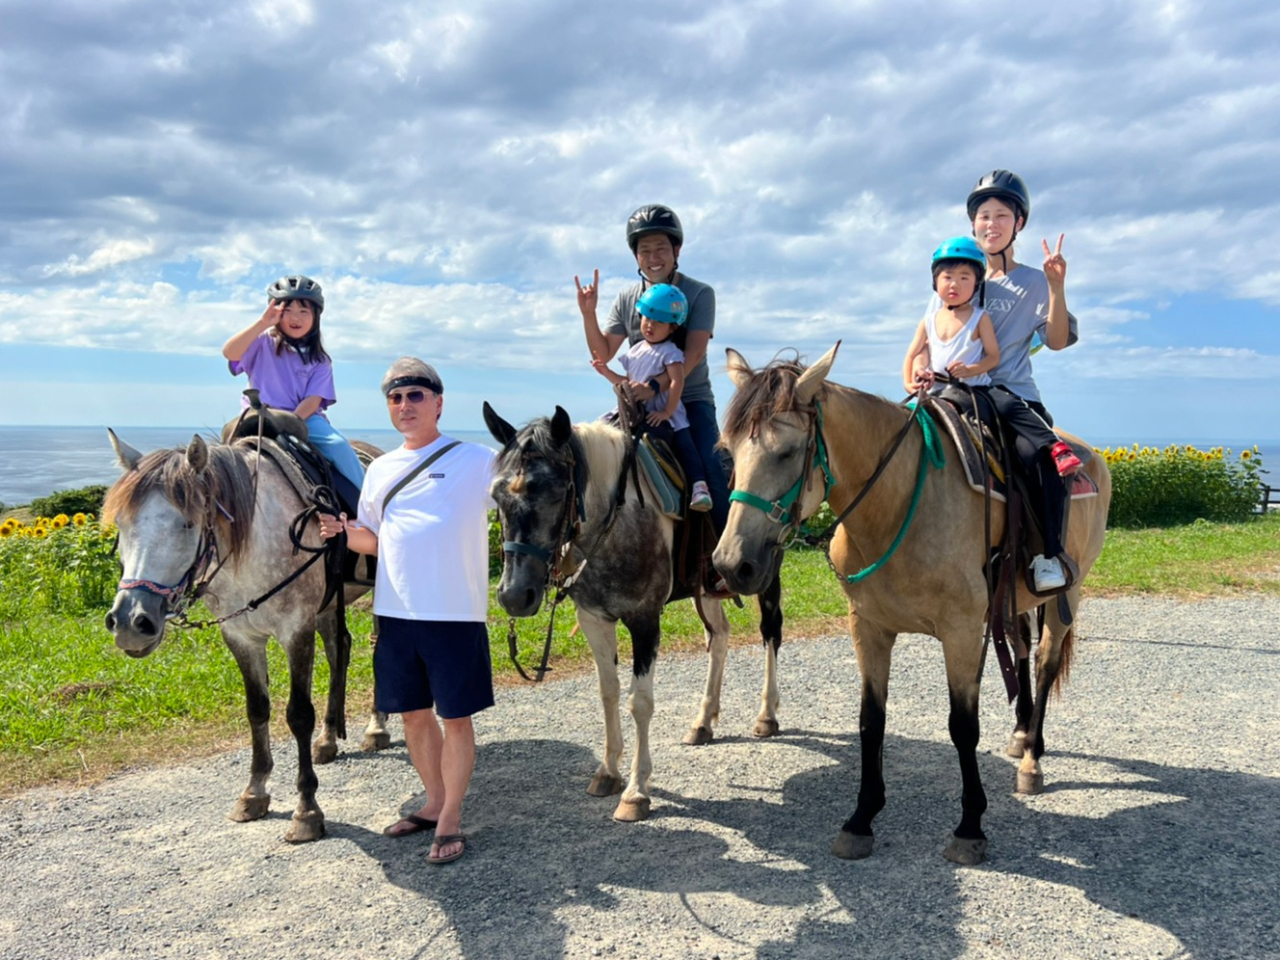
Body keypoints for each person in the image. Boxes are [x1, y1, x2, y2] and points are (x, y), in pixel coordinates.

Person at [317, 357, 496, 866]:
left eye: (415, 396)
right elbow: (374, 538)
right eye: (395, 398)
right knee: (415, 716)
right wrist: (342, 532)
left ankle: (452, 816)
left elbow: (525, 497)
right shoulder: (381, 470)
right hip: (395, 614)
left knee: (455, 718)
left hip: (456, 613)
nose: (405, 405)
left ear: (438, 403)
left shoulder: (477, 460)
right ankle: (433, 800)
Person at [910, 171, 1083, 591]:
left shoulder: (1034, 281)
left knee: (1035, 458)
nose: (992, 223)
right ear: (973, 224)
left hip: (1012, 396)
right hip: (950, 394)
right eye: (984, 215)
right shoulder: (955, 276)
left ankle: (1048, 556)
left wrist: (1056, 287)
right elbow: (928, 337)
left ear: (1018, 223)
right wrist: (919, 368)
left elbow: (1057, 342)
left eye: (1002, 215)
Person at [576, 204, 730, 531]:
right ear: (636, 258)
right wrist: (588, 314)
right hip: (637, 404)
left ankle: (724, 561)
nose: (653, 256)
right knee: (590, 458)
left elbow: (695, 352)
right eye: (644, 250)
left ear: (677, 250)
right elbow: (602, 352)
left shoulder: (700, 293)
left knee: (713, 469)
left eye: (661, 247)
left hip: (690, 400)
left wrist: (657, 386)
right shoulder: (627, 299)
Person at [221, 275, 365, 503]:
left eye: (304, 311)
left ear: (316, 317)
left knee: (338, 446)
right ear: (276, 312)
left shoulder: (320, 359)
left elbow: (314, 399)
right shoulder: (261, 341)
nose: (295, 318)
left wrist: (292, 420)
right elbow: (230, 352)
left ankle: (366, 504)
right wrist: (262, 323)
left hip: (303, 418)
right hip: (257, 416)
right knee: (221, 457)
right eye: (288, 310)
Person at [588, 283, 712, 511]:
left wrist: (667, 411)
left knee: (686, 443)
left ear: (673, 327)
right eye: (646, 319)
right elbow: (627, 384)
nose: (650, 325)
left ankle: (699, 485)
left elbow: (677, 381)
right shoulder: (635, 350)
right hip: (635, 411)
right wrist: (606, 372)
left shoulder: (670, 352)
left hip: (666, 410)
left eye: (659, 322)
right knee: (598, 429)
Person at [902, 237, 1001, 395]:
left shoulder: (980, 317)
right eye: (948, 277)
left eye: (964, 277)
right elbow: (912, 355)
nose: (955, 284)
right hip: (936, 392)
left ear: (977, 283)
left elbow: (993, 357)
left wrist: (970, 370)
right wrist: (909, 382)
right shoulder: (928, 321)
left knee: (1012, 411)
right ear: (935, 281)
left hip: (975, 391)